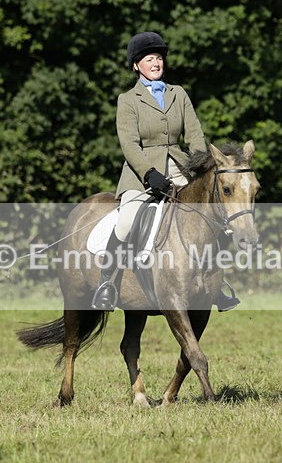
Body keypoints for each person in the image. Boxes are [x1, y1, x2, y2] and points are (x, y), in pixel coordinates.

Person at [91, 31, 239, 312]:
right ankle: (106, 283)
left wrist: (200, 166)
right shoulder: (128, 100)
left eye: (158, 58)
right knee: (126, 221)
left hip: (181, 167)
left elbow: (194, 135)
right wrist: (149, 173)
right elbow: (129, 145)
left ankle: (215, 283)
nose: (156, 63)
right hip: (141, 173)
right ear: (136, 65)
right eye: (149, 59)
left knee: (211, 213)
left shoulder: (178, 94)